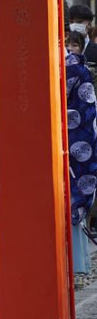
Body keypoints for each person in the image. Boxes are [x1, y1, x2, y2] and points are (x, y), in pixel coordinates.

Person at [65, 47, 97, 273]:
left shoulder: (77, 70)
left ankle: (74, 264)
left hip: (71, 142)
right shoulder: (79, 70)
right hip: (74, 140)